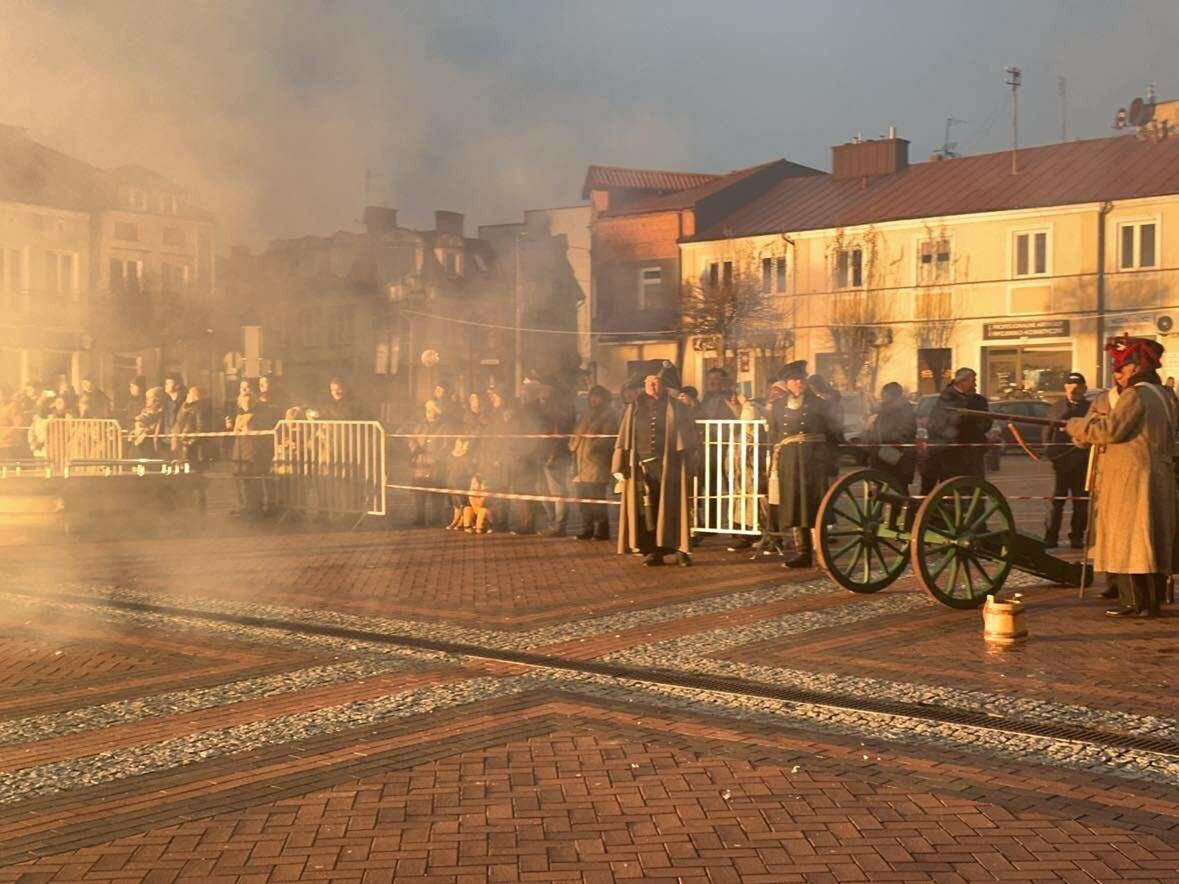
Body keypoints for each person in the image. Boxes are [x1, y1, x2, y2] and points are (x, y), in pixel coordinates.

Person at [1068, 336, 1176, 618]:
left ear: (1135, 367)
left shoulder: (1136, 394)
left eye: (1123, 366)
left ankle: (1133, 603)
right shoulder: (1163, 394)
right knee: (1150, 539)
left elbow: (1110, 431)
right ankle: (1150, 602)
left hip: (1131, 478)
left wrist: (1077, 425)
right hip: (1155, 474)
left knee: (1130, 541)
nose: (1119, 373)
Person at [612, 360, 696, 566]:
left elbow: (690, 436)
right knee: (647, 511)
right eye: (649, 382)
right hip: (641, 465)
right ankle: (653, 551)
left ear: (664, 385)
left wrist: (692, 464)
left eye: (657, 382)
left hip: (670, 465)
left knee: (673, 508)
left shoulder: (676, 407)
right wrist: (619, 465)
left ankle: (680, 550)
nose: (652, 386)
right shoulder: (634, 407)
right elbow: (623, 439)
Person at [769, 361, 843, 568]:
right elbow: (774, 434)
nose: (798, 382)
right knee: (794, 505)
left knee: (814, 505)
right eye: (793, 379)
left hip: (814, 460)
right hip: (789, 460)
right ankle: (803, 553)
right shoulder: (777, 406)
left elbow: (833, 434)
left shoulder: (821, 404)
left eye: (801, 378)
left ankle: (821, 552)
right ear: (787, 383)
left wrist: (830, 461)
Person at [1041, 372, 1092, 550]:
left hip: (1083, 463)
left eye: (1077, 389)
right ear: (1065, 389)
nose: (1073, 391)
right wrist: (1049, 454)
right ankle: (1050, 536)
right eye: (1070, 388)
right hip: (1060, 464)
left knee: (1080, 504)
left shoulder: (1091, 408)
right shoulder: (1056, 408)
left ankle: (1076, 537)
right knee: (1055, 503)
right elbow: (1046, 434)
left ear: (1084, 389)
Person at [923, 367, 991, 492]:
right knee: (952, 487)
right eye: (972, 381)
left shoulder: (979, 400)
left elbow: (987, 423)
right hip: (950, 453)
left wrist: (978, 426)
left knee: (975, 487)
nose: (975, 384)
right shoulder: (946, 399)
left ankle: (975, 509)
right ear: (961, 382)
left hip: (973, 451)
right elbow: (936, 425)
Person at [569, 385, 617, 541]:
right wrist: (573, 446)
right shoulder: (585, 414)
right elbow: (577, 433)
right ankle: (587, 529)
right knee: (583, 500)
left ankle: (602, 530)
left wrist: (593, 449)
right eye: (592, 396)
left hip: (597, 464)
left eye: (597, 396)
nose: (594, 399)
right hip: (581, 464)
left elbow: (608, 438)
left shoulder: (608, 415)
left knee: (597, 500)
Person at [537, 377, 575, 537]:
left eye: (544, 389)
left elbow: (558, 434)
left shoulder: (557, 410)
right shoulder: (544, 407)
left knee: (557, 491)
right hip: (543, 454)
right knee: (542, 489)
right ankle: (553, 522)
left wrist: (553, 454)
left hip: (555, 455)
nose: (541, 391)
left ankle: (559, 526)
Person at [865, 382, 917, 491]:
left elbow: (907, 432)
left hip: (898, 456)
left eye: (884, 394)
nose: (882, 396)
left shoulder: (905, 410)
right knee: (879, 489)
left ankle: (906, 508)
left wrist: (885, 438)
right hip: (883, 455)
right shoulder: (885, 410)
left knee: (900, 488)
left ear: (892, 395)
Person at [408, 398, 447, 527]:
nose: (429, 412)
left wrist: (437, 456)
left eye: (432, 409)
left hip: (436, 464)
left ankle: (436, 519)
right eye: (427, 409)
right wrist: (415, 449)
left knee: (436, 492)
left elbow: (446, 444)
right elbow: (412, 439)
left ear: (437, 411)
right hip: (421, 463)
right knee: (419, 492)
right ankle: (420, 518)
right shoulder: (420, 425)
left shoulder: (443, 426)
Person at [132, 387, 166, 456]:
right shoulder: (145, 410)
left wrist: (148, 429)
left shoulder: (160, 411)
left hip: (152, 443)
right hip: (142, 442)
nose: (146, 400)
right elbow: (139, 419)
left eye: (149, 398)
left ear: (157, 400)